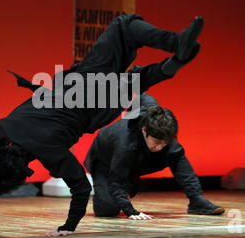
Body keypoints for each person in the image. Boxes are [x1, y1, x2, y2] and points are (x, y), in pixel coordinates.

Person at [0, 13, 204, 236]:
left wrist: (68, 226)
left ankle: (177, 61)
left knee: (139, 78)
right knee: (124, 26)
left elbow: (81, 188)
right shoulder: (0, 130)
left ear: (25, 173)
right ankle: (176, 45)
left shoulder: (51, 155)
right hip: (77, 87)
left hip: (99, 110)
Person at [84, 92, 225, 220]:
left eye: (164, 143)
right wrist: (131, 211)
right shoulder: (125, 143)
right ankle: (122, 187)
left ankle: (196, 200)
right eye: (157, 142)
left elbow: (142, 95)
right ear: (144, 130)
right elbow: (115, 181)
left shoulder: (154, 114)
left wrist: (132, 113)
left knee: (175, 151)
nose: (160, 147)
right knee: (108, 210)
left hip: (137, 156)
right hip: (106, 162)